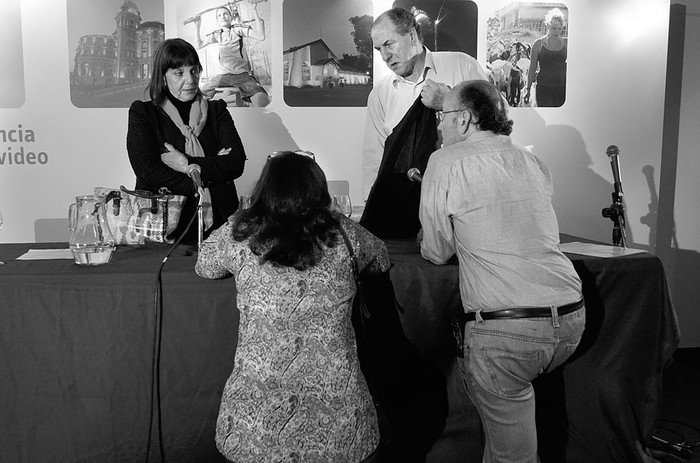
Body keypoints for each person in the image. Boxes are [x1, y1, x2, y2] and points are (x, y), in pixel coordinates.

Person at [419, 80, 585, 462]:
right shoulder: (532, 161)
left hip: (507, 333)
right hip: (571, 320)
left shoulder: (444, 161)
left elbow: (436, 250)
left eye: (442, 117)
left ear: (463, 120)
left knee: (512, 456)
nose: (438, 126)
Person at [195, 151, 390, 462]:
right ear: (318, 188)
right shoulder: (344, 232)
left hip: (256, 417)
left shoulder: (239, 233)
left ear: (264, 189)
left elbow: (204, 266)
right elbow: (381, 259)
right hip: (338, 415)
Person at [127, 38, 247, 243]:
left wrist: (185, 164)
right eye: (179, 73)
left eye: (194, 70)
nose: (190, 80)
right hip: (165, 230)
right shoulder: (144, 113)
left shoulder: (217, 110)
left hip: (220, 229)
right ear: (163, 77)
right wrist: (205, 174)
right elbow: (146, 170)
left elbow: (235, 162)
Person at [361, 6, 487, 200]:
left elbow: (498, 119)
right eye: (379, 49)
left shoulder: (462, 66)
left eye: (389, 44)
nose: (385, 56)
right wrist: (372, 206)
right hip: (408, 206)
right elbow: (374, 156)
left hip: (467, 194)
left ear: (412, 36)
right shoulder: (381, 93)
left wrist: (448, 101)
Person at [192, 1, 269, 107]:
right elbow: (198, 45)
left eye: (225, 14)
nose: (222, 16)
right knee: (196, 96)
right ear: (217, 21)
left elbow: (261, 36)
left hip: (241, 76)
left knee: (261, 98)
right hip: (222, 77)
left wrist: (254, 10)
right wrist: (198, 26)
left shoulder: (237, 29)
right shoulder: (217, 34)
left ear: (231, 17)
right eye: (219, 15)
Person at [524, 8, 567, 107]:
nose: (557, 31)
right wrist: (528, 89)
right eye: (554, 27)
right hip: (543, 87)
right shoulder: (538, 44)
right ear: (548, 25)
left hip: (562, 87)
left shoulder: (566, 43)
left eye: (559, 28)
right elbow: (532, 68)